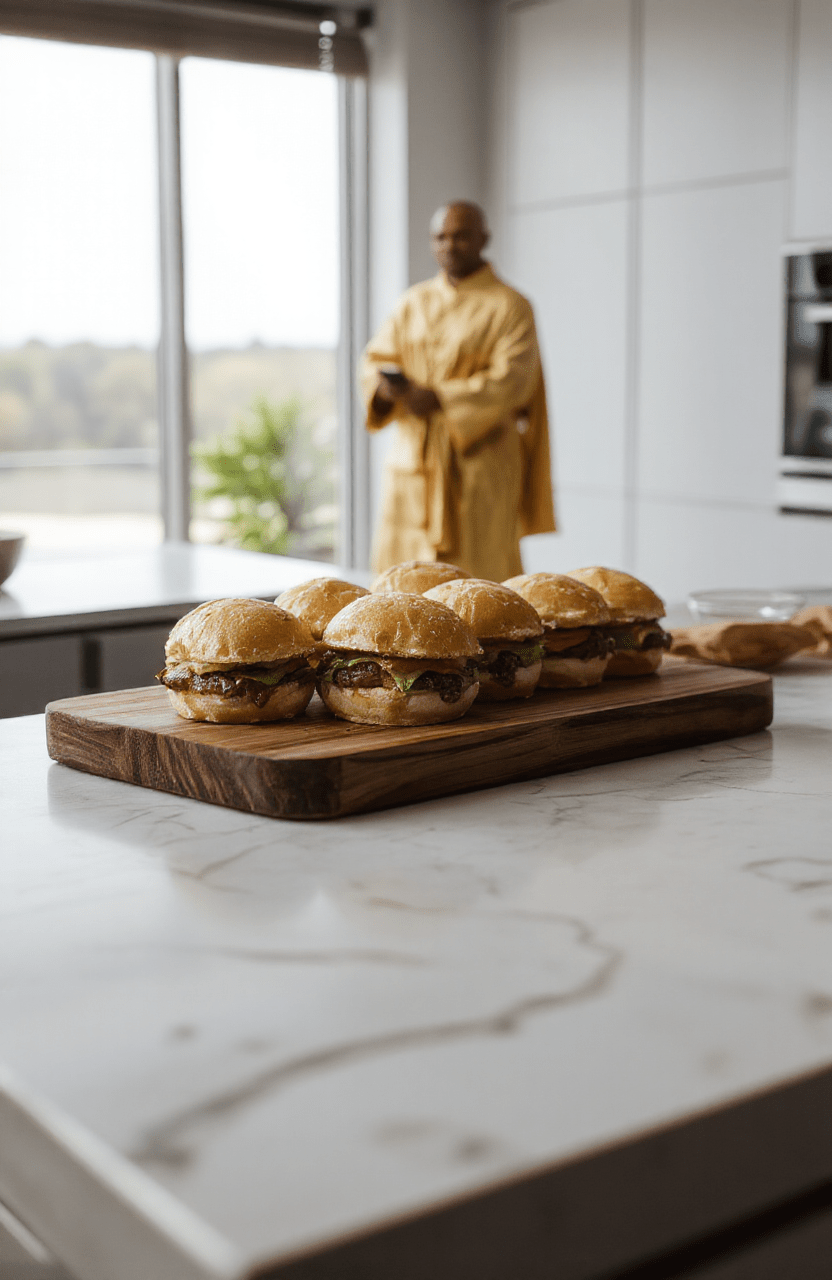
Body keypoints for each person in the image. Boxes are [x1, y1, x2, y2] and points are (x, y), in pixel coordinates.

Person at [360, 201, 556, 581]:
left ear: (483, 239)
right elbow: (375, 358)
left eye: (461, 236)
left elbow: (513, 380)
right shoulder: (412, 302)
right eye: (441, 237)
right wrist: (385, 388)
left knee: (480, 580)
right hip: (413, 463)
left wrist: (439, 397)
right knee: (402, 583)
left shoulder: (511, 306)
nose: (450, 245)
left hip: (480, 461)